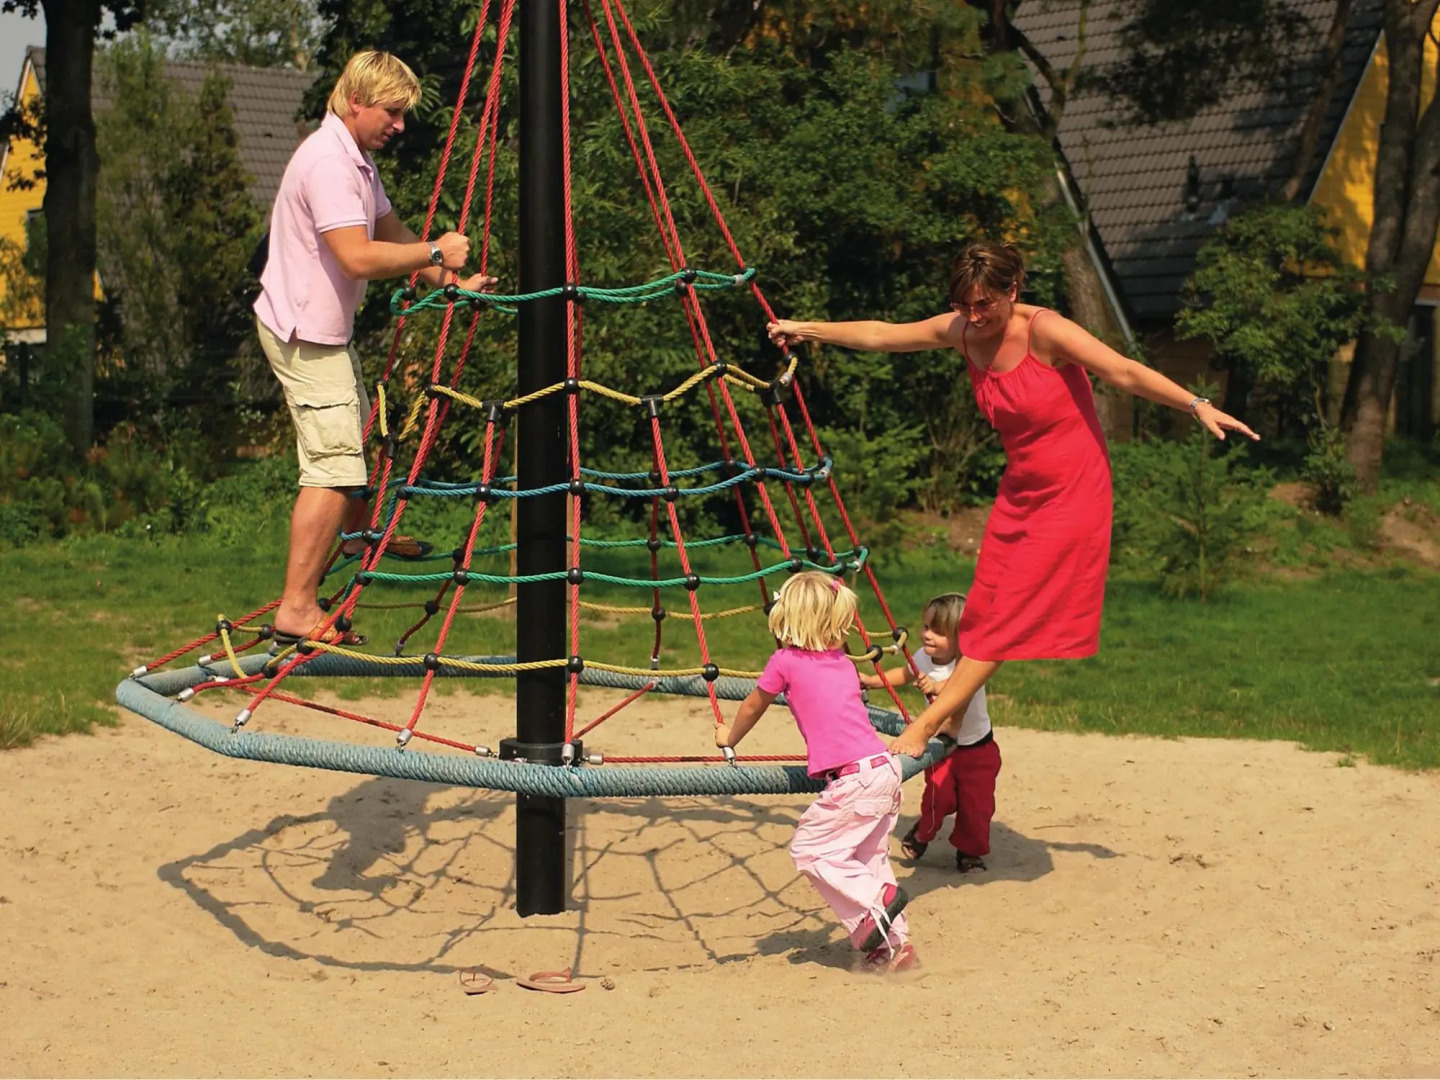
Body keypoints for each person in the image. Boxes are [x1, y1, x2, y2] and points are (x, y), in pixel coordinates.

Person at [767, 241, 1258, 759]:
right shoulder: (962, 331)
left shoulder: (1046, 331)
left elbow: (1124, 372)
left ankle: (926, 724)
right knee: (981, 613)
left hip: (1073, 491)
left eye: (985, 304)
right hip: (1021, 489)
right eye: (963, 305)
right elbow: (882, 334)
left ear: (1013, 290)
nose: (974, 316)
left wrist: (1196, 404)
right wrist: (807, 330)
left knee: (1005, 618)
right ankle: (956, 717)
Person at [254, 50, 494, 647]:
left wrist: (452, 282)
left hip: (323, 334)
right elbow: (358, 257)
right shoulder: (328, 164)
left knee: (356, 439)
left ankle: (357, 539)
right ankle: (297, 608)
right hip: (305, 336)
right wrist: (436, 251)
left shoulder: (355, 161)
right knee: (334, 469)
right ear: (356, 100)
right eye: (392, 111)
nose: (400, 124)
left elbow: (391, 233)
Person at [716, 572, 918, 974]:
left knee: (811, 849)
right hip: (884, 769)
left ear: (786, 617)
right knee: (868, 857)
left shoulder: (784, 661)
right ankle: (895, 945)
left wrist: (729, 736)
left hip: (854, 779)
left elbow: (754, 704)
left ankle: (877, 901)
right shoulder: (842, 662)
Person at [859, 593, 999, 873]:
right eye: (926, 627)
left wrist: (936, 687)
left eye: (939, 632)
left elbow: (961, 685)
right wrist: (872, 681)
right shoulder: (924, 657)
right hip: (940, 745)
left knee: (977, 805)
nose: (928, 635)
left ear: (962, 638)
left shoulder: (970, 664)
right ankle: (923, 832)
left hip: (976, 748)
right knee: (939, 798)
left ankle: (970, 852)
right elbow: (906, 673)